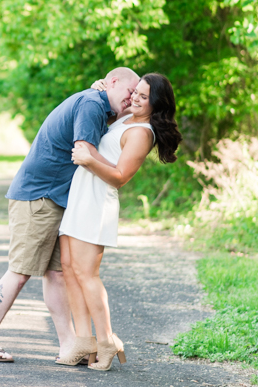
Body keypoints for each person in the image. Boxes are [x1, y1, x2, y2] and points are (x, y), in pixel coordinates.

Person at [0, 67, 142, 363]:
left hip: (56, 199)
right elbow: (84, 151)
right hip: (39, 195)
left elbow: (123, 121)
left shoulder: (101, 105)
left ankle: (68, 346)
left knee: (56, 274)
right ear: (112, 82)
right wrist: (118, 174)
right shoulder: (92, 105)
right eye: (130, 93)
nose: (131, 100)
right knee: (21, 270)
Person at [56, 73, 182, 371]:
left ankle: (107, 342)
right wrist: (98, 86)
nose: (134, 99)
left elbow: (121, 177)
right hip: (81, 194)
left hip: (97, 200)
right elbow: (109, 102)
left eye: (142, 96)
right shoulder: (127, 118)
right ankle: (84, 341)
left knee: (87, 274)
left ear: (157, 103)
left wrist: (89, 160)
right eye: (134, 93)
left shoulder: (143, 132)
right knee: (70, 269)